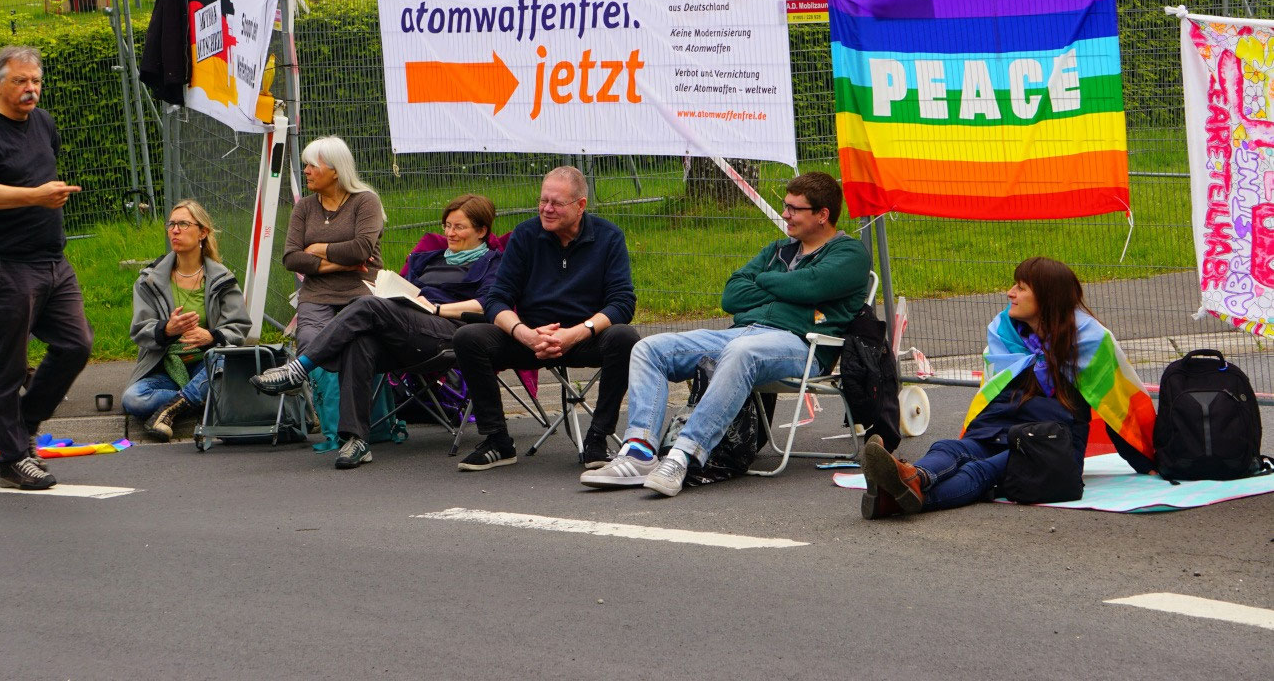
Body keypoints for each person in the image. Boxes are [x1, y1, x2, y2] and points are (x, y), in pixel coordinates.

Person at [582, 171, 871, 497]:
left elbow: (812, 284)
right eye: (785, 206)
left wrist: (765, 283)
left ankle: (683, 455)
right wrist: (789, 293)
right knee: (650, 348)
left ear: (822, 215)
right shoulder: (777, 250)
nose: (785, 214)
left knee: (741, 351)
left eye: (794, 208)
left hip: (802, 346)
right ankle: (639, 452)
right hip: (743, 333)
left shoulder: (849, 254)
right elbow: (732, 295)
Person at [860, 257, 1156, 519]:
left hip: (1049, 442)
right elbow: (991, 394)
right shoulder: (1004, 332)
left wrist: (1147, 461)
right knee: (949, 448)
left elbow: (1118, 403)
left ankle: (896, 500)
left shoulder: (1090, 341)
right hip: (1002, 427)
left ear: (1047, 298)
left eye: (1021, 288)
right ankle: (915, 477)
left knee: (982, 470)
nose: (1010, 293)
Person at [251, 194, 504, 469]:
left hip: (451, 333)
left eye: (459, 227)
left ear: (481, 231)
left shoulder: (493, 262)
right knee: (361, 340)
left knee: (368, 306)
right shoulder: (427, 260)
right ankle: (356, 440)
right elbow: (408, 292)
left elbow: (487, 304)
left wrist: (437, 309)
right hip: (410, 330)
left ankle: (299, 369)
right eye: (447, 225)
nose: (449, 233)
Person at [0, 45, 93, 491]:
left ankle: (26, 424)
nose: (30, 89)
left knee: (76, 344)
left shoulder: (44, 123)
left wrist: (42, 198)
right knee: (8, 367)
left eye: (35, 80)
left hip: (53, 259)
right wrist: (35, 195)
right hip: (6, 265)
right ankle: (12, 460)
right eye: (20, 81)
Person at [451, 166, 638, 472]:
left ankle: (597, 438)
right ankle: (497, 440)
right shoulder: (525, 236)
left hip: (583, 338)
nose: (546, 209)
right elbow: (496, 299)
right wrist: (525, 334)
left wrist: (576, 333)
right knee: (468, 338)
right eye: (543, 201)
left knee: (625, 338)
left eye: (556, 203)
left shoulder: (608, 238)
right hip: (530, 338)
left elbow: (622, 302)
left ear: (580, 206)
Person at [250, 135, 384, 401]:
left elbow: (361, 249)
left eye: (313, 166)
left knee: (355, 345)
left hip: (360, 292)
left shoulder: (366, 201)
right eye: (306, 165)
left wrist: (317, 249)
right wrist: (343, 264)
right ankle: (308, 387)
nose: (307, 171)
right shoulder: (304, 208)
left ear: (335, 171)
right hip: (317, 294)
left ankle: (295, 377)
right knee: (310, 340)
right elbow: (291, 259)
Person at [124, 200, 253, 441]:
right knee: (133, 398)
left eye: (183, 224)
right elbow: (139, 329)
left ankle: (169, 411)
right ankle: (197, 398)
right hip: (165, 367)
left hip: (207, 364)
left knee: (222, 367)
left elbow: (239, 326)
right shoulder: (149, 280)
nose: (175, 230)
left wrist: (211, 336)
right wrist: (167, 329)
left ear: (202, 232)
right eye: (171, 224)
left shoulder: (222, 279)